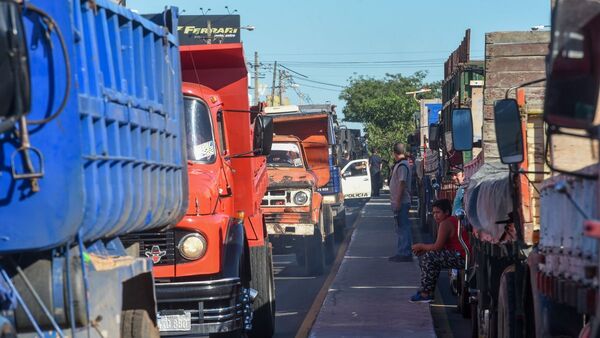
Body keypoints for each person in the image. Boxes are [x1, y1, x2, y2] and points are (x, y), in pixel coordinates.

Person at [410, 199, 471, 303]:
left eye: (438, 212)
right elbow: (440, 247)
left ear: (446, 212)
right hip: (462, 256)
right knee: (432, 257)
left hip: (461, 257)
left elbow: (437, 247)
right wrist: (424, 249)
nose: (435, 216)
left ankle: (426, 293)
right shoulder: (450, 221)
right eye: (433, 213)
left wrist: (421, 246)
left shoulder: (446, 223)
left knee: (430, 258)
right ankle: (428, 290)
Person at [388, 143, 413, 262]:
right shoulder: (401, 164)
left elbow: (402, 183)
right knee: (400, 227)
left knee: (403, 227)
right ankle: (401, 251)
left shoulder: (402, 165)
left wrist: (397, 201)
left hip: (402, 202)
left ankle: (405, 253)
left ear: (394, 153)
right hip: (400, 202)